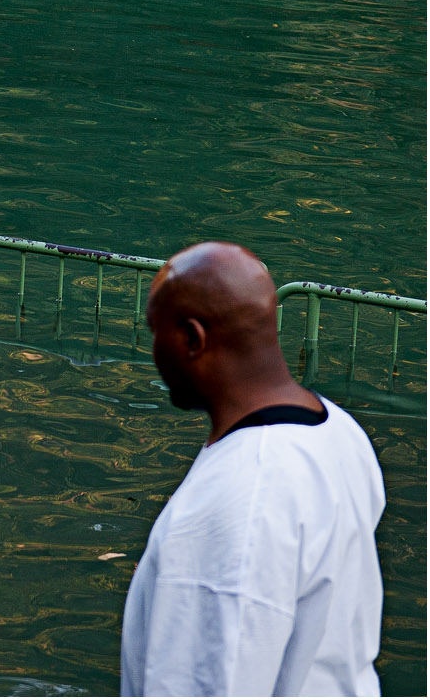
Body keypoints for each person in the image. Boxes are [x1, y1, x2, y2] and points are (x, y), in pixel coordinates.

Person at [121, 242, 385, 696]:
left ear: (192, 338)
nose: (153, 350)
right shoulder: (340, 433)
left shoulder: (235, 501)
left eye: (154, 332)